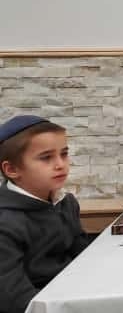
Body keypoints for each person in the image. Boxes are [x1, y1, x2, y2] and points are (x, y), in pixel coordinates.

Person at [0, 115, 90, 313]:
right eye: (46, 157)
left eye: (64, 154)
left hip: (72, 296)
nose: (60, 164)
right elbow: (14, 299)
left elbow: (83, 256)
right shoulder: (6, 222)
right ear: (12, 169)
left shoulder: (66, 202)